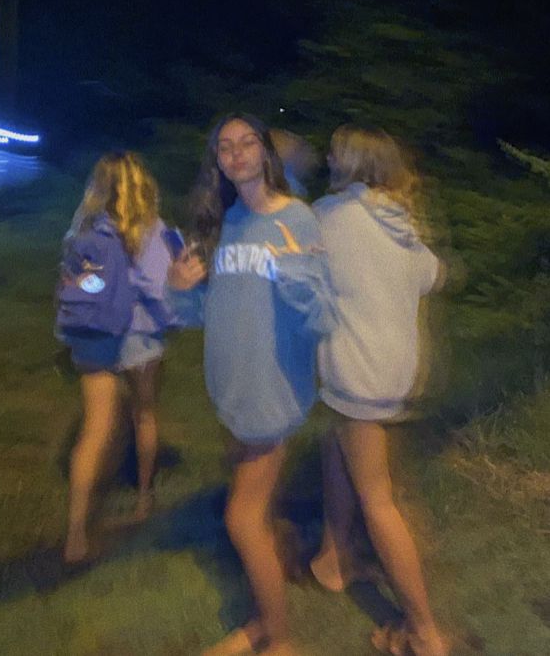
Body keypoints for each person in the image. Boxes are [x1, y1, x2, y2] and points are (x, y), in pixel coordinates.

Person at [167, 113, 335, 656]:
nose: (236, 153)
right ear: (216, 160)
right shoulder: (224, 223)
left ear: (265, 153)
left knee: (241, 518)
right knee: (254, 516)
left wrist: (293, 274)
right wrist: (180, 290)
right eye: (225, 146)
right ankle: (263, 616)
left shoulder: (299, 220)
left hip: (271, 390)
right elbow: (204, 314)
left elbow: (323, 320)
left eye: (248, 143)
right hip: (231, 391)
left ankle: (279, 638)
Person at [311, 127, 450, 656]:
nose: (327, 156)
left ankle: (423, 630)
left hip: (357, 371)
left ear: (350, 162)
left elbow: (294, 273)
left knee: (378, 497)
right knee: (334, 442)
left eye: (334, 151)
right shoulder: (400, 219)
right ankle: (333, 557)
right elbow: (431, 276)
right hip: (394, 369)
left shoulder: (329, 216)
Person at [59, 151, 176, 564]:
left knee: (94, 431)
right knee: (144, 415)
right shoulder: (155, 231)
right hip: (142, 341)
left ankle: (75, 534)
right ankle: (144, 498)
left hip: (96, 339)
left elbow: (78, 283)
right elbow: (161, 290)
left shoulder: (84, 230)